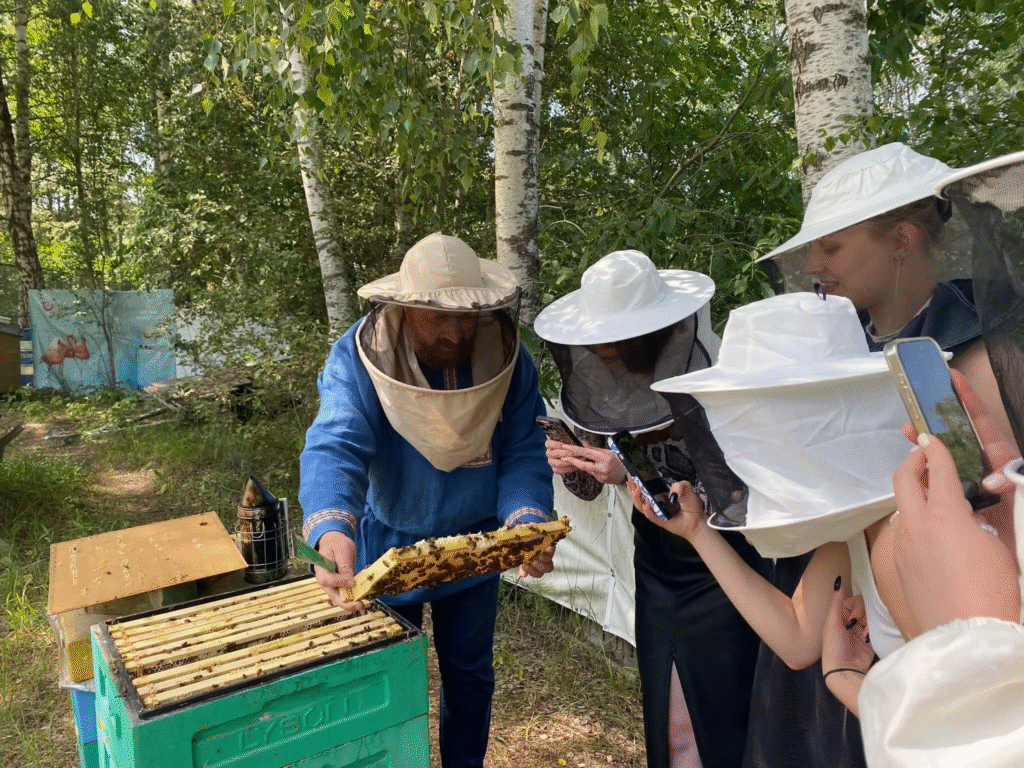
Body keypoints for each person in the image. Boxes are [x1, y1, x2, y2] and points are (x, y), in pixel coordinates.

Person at [298, 232, 557, 768]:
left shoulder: (511, 358)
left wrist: (528, 522)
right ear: (404, 307)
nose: (457, 330)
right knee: (385, 681)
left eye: (468, 314)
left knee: (469, 675)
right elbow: (336, 441)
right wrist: (331, 530)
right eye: (438, 315)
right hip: (385, 544)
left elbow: (525, 451)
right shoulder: (358, 355)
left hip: (476, 545)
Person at [533, 250, 763, 768]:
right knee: (670, 723)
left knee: (724, 722)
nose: (602, 353)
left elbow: (737, 497)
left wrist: (630, 472)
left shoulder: (720, 375)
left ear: (654, 333)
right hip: (657, 566)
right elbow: (591, 491)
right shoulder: (599, 386)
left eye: (614, 344)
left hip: (727, 568)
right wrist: (568, 456)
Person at [849, 150, 1024, 767]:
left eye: (834, 247)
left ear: (902, 241)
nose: (817, 267)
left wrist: (969, 637)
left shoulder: (978, 335)